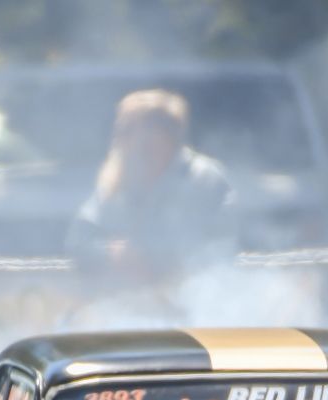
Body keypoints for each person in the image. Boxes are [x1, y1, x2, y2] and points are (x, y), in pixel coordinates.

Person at [67, 89, 237, 286]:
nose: (129, 145)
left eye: (143, 139)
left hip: (192, 296)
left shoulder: (205, 180)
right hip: (128, 298)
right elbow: (80, 240)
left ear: (169, 138)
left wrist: (156, 265)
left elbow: (219, 251)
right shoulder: (117, 181)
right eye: (124, 133)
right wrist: (110, 254)